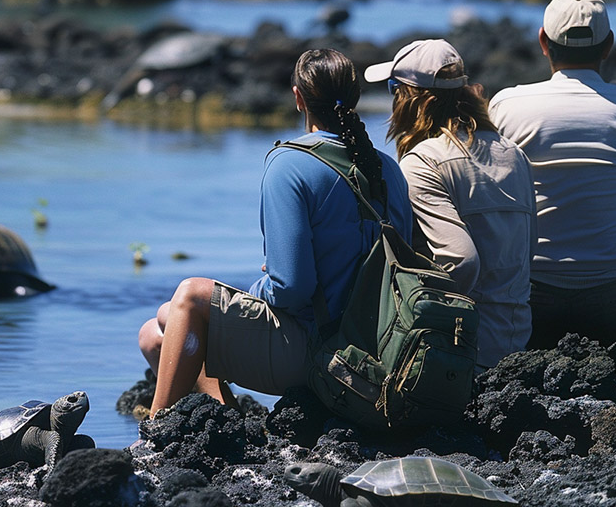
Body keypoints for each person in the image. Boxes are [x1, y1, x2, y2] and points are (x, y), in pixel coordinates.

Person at [138, 48, 412, 416]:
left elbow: (292, 289)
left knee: (187, 300)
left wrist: (256, 289)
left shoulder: (291, 165)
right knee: (156, 337)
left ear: (298, 98)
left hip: (320, 356)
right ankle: (224, 421)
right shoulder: (389, 171)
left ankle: (155, 433)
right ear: (355, 97)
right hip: (380, 352)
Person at [365, 38, 536, 370]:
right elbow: (528, 252)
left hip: (461, 354)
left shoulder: (423, 162)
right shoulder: (514, 154)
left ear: (415, 99)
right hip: (516, 342)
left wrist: (407, 316)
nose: (393, 100)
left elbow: (461, 260)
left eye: (393, 89)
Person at [489, 0, 616, 348]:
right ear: (608, 45)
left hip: (530, 290)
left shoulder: (507, 105)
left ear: (543, 41)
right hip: (611, 291)